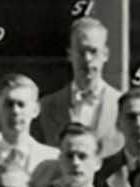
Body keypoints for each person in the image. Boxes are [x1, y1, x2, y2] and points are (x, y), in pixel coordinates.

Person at [36, 18, 123, 150]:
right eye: (81, 52)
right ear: (70, 55)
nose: (87, 59)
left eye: (93, 51)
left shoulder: (122, 106)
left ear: (105, 54)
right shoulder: (46, 107)